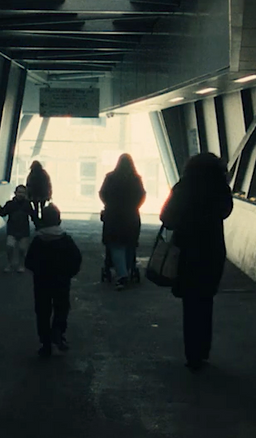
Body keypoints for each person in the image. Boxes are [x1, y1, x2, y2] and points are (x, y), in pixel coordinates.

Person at [159, 152, 234, 370]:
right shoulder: (220, 188)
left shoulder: (184, 187)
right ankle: (203, 350)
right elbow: (225, 212)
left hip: (187, 250)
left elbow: (166, 216)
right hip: (212, 250)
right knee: (206, 301)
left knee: (190, 304)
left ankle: (192, 354)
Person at [23, 204, 81, 358]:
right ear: (59, 220)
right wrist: (69, 273)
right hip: (62, 282)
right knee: (62, 308)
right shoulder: (66, 240)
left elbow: (29, 261)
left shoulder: (38, 240)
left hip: (41, 282)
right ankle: (58, 331)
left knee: (42, 311)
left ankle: (45, 342)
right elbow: (76, 259)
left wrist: (38, 271)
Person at [99, 154, 147, 291]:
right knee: (130, 244)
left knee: (116, 245)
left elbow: (103, 193)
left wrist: (109, 204)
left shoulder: (110, 178)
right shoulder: (136, 179)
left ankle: (122, 274)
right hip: (131, 216)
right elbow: (142, 195)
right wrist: (134, 206)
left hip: (113, 216)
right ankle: (128, 268)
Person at [0, 185, 33, 274]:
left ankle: (20, 264)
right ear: (15, 193)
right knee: (9, 246)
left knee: (22, 249)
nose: (21, 194)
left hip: (23, 231)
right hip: (12, 230)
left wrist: (39, 224)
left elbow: (33, 215)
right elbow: (3, 212)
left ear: (25, 194)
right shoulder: (10, 204)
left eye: (23, 193)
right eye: (19, 192)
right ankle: (10, 263)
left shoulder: (27, 204)